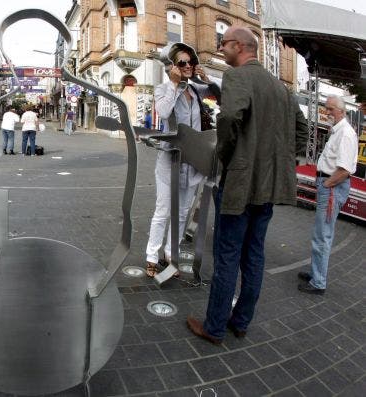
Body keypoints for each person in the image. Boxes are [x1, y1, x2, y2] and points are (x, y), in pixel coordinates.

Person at [186, 26, 308, 345]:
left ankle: (214, 327)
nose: (220, 48)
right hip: (267, 186)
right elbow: (302, 128)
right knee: (253, 256)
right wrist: (285, 159)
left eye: (223, 43)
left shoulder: (238, 77)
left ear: (240, 46)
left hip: (239, 183)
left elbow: (228, 119)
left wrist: (225, 154)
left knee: (227, 255)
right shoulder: (280, 88)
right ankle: (240, 321)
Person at [145, 43, 220, 279]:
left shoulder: (198, 90)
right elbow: (165, 112)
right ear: (173, 67)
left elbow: (220, 97)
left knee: (182, 212)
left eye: (191, 62)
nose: (188, 66)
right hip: (170, 160)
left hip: (193, 161)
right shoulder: (163, 88)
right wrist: (175, 85)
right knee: (164, 210)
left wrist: (207, 79)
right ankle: (151, 256)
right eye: (182, 63)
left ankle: (171, 255)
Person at [298, 96, 358, 295]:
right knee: (320, 234)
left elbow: (344, 170)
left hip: (332, 186)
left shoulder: (346, 134)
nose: (327, 112)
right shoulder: (339, 131)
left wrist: (326, 184)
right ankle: (317, 274)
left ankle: (318, 282)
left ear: (341, 110)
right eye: (326, 109)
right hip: (330, 185)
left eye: (330, 109)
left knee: (322, 236)